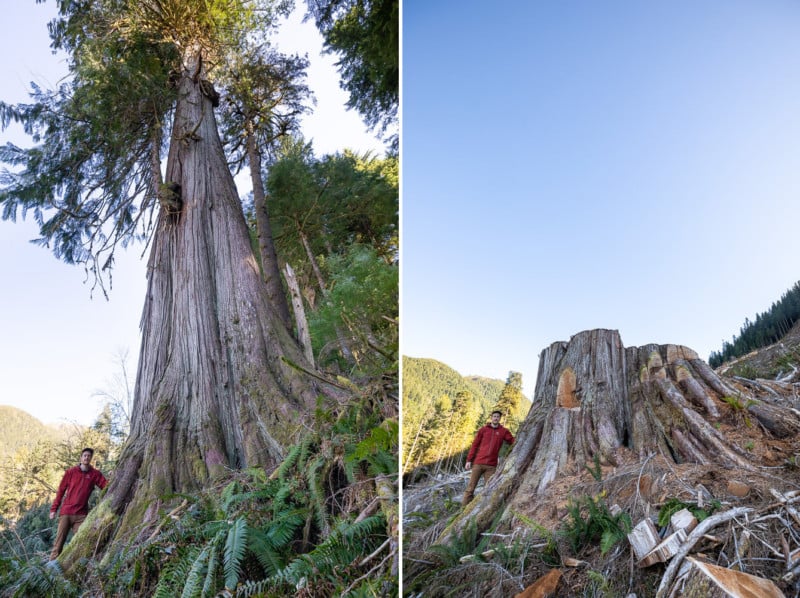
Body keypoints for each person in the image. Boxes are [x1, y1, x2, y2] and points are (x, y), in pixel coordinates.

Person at [49, 447, 108, 561]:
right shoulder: (70, 472)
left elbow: (105, 486)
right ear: (81, 458)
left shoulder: (95, 474)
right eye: (84, 455)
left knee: (82, 541)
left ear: (91, 459)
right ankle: (50, 570)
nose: (86, 457)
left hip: (81, 515)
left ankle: (75, 565)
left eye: (89, 456)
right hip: (66, 513)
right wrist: (53, 509)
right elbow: (61, 491)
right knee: (58, 543)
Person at [462, 410, 514, 506]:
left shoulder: (503, 431)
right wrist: (469, 460)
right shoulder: (483, 430)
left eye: (498, 416)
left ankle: (482, 509)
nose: (496, 418)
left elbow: (513, 441)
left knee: (489, 489)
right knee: (470, 488)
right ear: (491, 418)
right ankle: (463, 510)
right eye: (494, 416)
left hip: (491, 466)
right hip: (478, 463)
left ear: (499, 419)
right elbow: (475, 445)